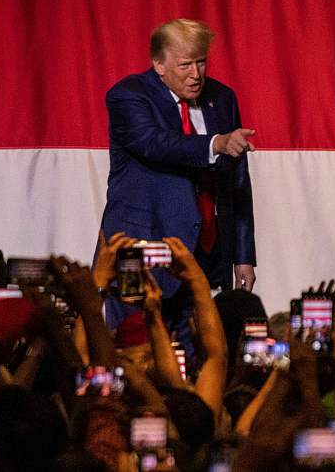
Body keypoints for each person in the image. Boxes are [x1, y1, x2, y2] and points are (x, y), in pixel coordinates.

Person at [97, 19, 257, 340]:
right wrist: (216, 143)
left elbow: (237, 182)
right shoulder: (128, 95)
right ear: (158, 64)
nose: (196, 74)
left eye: (201, 62)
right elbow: (156, 144)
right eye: (185, 65)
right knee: (136, 354)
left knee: (196, 358)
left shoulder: (222, 98)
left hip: (204, 257)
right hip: (142, 254)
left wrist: (242, 255)